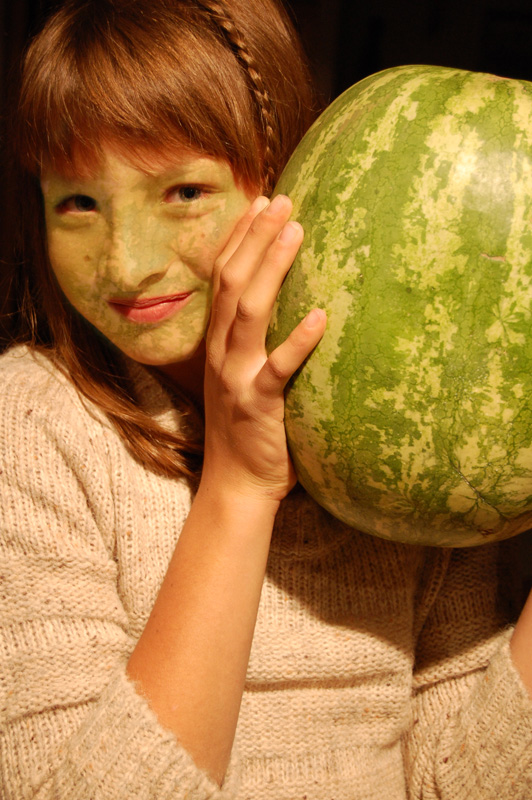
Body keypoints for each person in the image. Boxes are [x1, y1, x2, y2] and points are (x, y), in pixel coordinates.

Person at [2, 0, 532, 797]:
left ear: (291, 176)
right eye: (78, 202)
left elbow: (460, 785)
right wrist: (240, 486)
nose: (127, 264)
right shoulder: (31, 425)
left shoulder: (412, 433)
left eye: (182, 192)